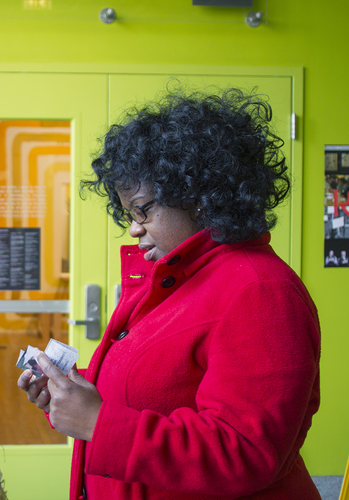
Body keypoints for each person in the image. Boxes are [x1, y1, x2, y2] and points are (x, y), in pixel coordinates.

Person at [18, 88, 321, 499]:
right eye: (129, 214)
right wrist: (71, 390)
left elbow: (245, 452)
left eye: (143, 210)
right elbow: (160, 387)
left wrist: (97, 422)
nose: (133, 229)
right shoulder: (181, 278)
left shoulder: (262, 291)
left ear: (199, 198)